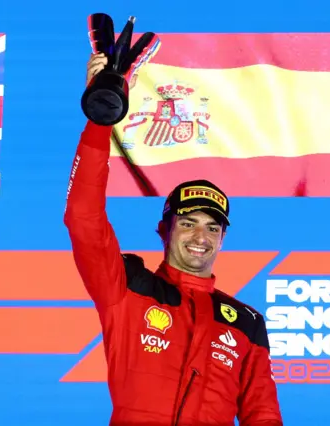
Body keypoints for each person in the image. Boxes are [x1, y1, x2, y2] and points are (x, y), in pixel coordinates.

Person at [64, 52, 283, 426]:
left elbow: (262, 414)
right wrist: (101, 120)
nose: (201, 237)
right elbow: (83, 218)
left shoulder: (246, 323)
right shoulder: (127, 287)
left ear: (223, 238)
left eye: (213, 228)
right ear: (164, 230)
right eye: (188, 223)